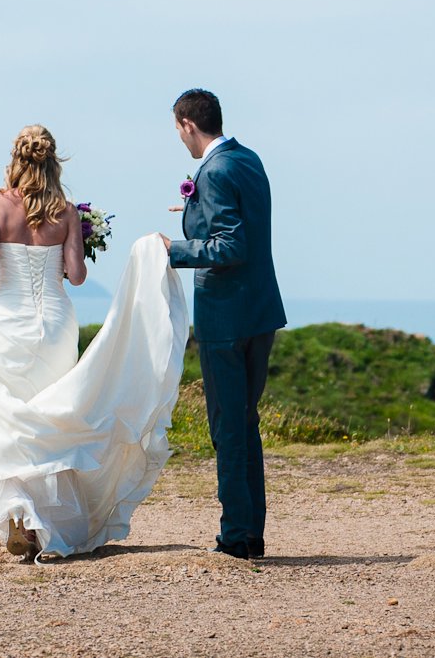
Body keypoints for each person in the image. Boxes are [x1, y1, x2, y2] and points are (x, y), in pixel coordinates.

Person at [0, 124, 189, 563]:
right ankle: (40, 523)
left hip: (8, 319)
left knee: (7, 422)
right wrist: (79, 238)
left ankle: (19, 512)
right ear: (53, 164)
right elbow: (77, 276)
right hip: (53, 325)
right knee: (48, 420)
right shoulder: (67, 211)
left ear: (14, 160)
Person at [159, 89, 286, 560]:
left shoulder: (213, 170)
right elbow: (239, 224)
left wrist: (174, 247)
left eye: (178, 130)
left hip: (226, 317)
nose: (180, 139)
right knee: (245, 424)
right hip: (260, 311)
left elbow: (230, 247)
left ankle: (236, 537)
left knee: (228, 428)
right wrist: (194, 214)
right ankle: (250, 532)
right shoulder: (246, 158)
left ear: (189, 124)